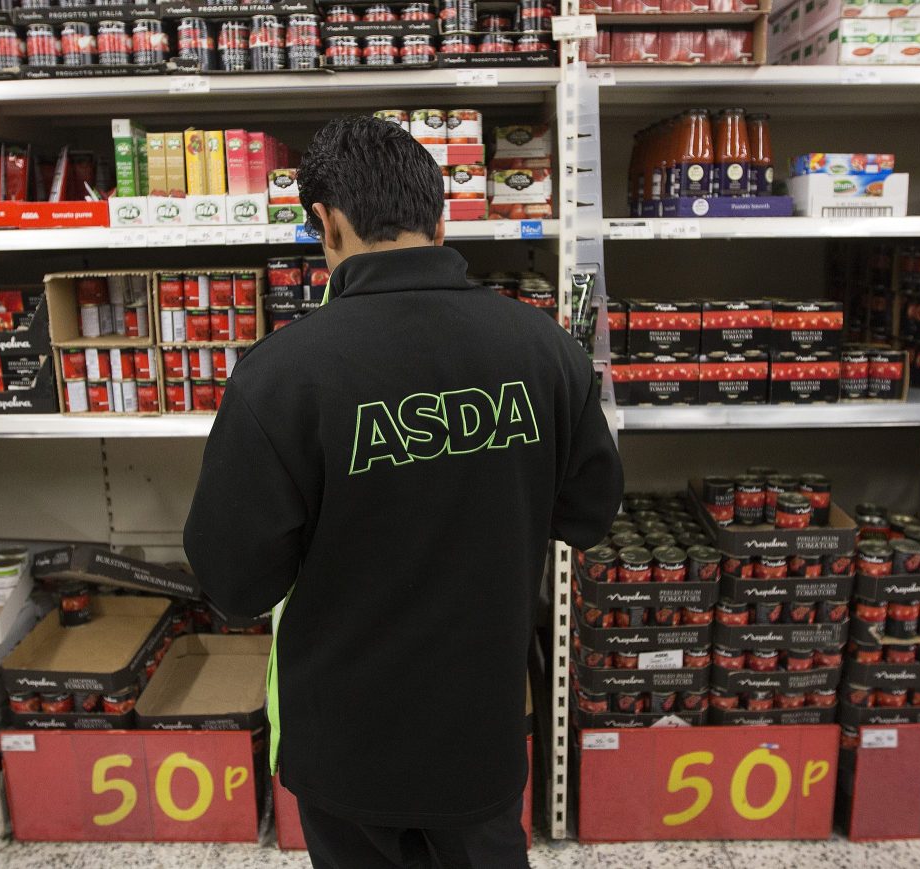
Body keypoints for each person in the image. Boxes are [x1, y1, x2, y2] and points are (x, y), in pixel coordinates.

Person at [184, 115, 623, 869]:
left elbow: (235, 582)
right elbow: (588, 513)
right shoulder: (544, 347)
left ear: (325, 222)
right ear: (440, 216)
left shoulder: (280, 376)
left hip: (348, 747)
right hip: (481, 736)